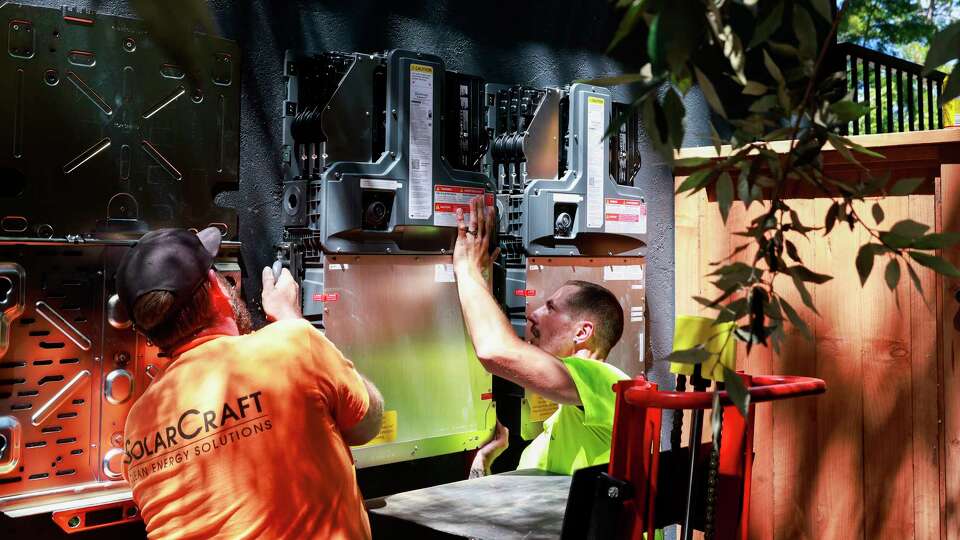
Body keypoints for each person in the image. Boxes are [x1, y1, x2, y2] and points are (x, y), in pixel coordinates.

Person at [117, 227, 383, 540]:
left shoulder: (136, 425)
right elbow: (368, 424)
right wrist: (292, 319)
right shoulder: (291, 345)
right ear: (217, 286)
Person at [453, 197, 629, 476]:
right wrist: (485, 460)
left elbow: (493, 350)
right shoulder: (558, 425)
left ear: (582, 332)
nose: (533, 313)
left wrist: (466, 269)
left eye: (550, 308)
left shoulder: (609, 382)